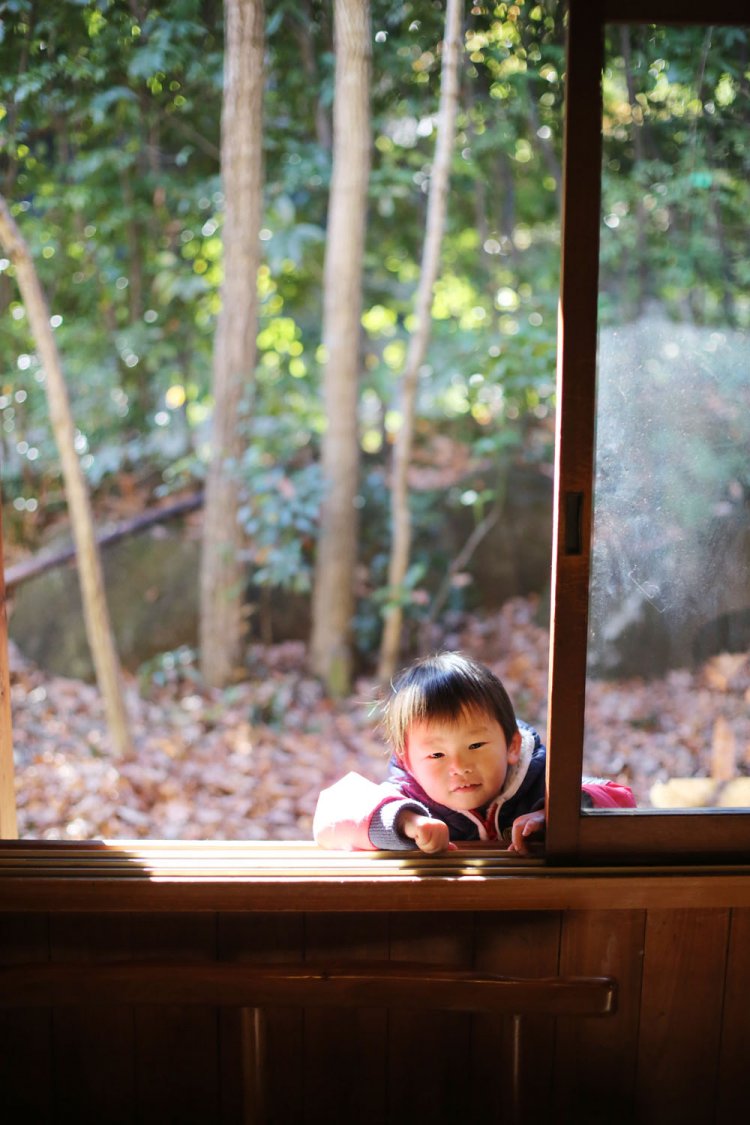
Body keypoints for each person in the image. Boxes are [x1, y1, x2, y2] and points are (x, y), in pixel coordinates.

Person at [313, 651, 635, 854]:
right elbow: (330, 813)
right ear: (408, 760)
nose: (459, 766)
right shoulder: (409, 795)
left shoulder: (537, 778)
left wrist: (554, 814)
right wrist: (408, 823)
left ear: (512, 746)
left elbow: (621, 799)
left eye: (475, 746)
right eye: (436, 755)